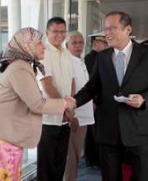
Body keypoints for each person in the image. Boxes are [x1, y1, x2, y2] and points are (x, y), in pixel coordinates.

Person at [74, 11, 148, 181]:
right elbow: (92, 87)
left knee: (142, 176)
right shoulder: (101, 57)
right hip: (108, 129)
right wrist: (73, 102)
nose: (107, 32)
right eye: (105, 28)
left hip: (138, 129)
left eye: (113, 28)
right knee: (110, 176)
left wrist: (144, 99)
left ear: (128, 29)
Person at [0, 27, 75, 181]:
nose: (44, 46)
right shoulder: (19, 68)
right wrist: (65, 103)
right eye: (39, 43)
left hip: (4, 135)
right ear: (26, 46)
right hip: (0, 137)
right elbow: (37, 104)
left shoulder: (21, 66)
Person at [36, 17, 75, 181]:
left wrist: (71, 108)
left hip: (65, 119)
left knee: (60, 163)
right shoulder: (43, 52)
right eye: (55, 31)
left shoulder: (67, 53)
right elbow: (47, 85)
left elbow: (72, 81)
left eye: (63, 31)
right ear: (47, 33)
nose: (60, 35)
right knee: (46, 166)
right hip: (48, 120)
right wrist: (65, 108)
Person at [64, 31, 94, 181]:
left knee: (76, 155)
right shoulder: (67, 62)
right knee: (72, 157)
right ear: (67, 45)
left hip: (85, 115)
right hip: (76, 117)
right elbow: (69, 91)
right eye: (74, 43)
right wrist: (72, 116)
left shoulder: (80, 60)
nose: (78, 46)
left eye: (81, 42)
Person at [84, 32, 108, 167]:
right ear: (96, 44)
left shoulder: (97, 57)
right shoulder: (93, 58)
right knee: (95, 131)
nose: (106, 46)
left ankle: (93, 159)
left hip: (97, 100)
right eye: (103, 43)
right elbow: (92, 82)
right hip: (95, 101)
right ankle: (94, 159)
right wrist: (93, 100)